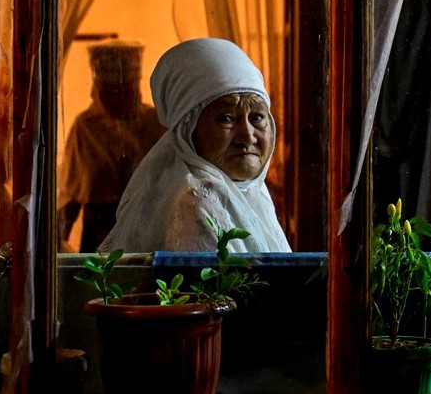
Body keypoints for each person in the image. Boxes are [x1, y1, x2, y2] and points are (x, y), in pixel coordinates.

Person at [101, 37, 291, 253]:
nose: (247, 136)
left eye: (257, 117)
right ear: (188, 130)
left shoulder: (251, 193)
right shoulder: (199, 202)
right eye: (226, 118)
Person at [59, 40, 166, 252]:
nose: (119, 99)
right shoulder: (86, 127)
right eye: (110, 92)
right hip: (99, 227)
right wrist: (56, 240)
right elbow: (72, 190)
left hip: (148, 220)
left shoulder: (155, 122)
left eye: (126, 91)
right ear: (98, 92)